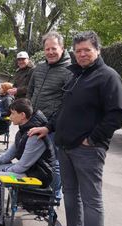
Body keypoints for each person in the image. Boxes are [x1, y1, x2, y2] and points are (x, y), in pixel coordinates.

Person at [28, 31, 122, 226]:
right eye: (79, 50)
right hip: (64, 146)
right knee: (71, 194)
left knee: (92, 201)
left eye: (87, 50)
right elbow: (65, 109)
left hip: (88, 150)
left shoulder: (107, 76)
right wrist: (49, 128)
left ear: (97, 50)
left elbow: (117, 114)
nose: (82, 54)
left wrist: (92, 139)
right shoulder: (75, 75)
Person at [0, 99, 57, 226]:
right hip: (30, 170)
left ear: (22, 115)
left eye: (12, 114)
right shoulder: (23, 131)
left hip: (39, 175)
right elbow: (7, 156)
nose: (10, 117)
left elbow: (22, 166)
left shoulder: (33, 135)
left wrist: (2, 172)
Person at [26, 31, 73, 203]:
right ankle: (35, 193)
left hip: (54, 126)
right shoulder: (39, 67)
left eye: (54, 48)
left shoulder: (69, 71)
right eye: (47, 49)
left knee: (55, 163)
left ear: (62, 48)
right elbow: (31, 90)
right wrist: (29, 112)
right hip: (34, 122)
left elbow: (67, 102)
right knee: (33, 158)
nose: (50, 52)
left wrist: (51, 123)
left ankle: (53, 196)